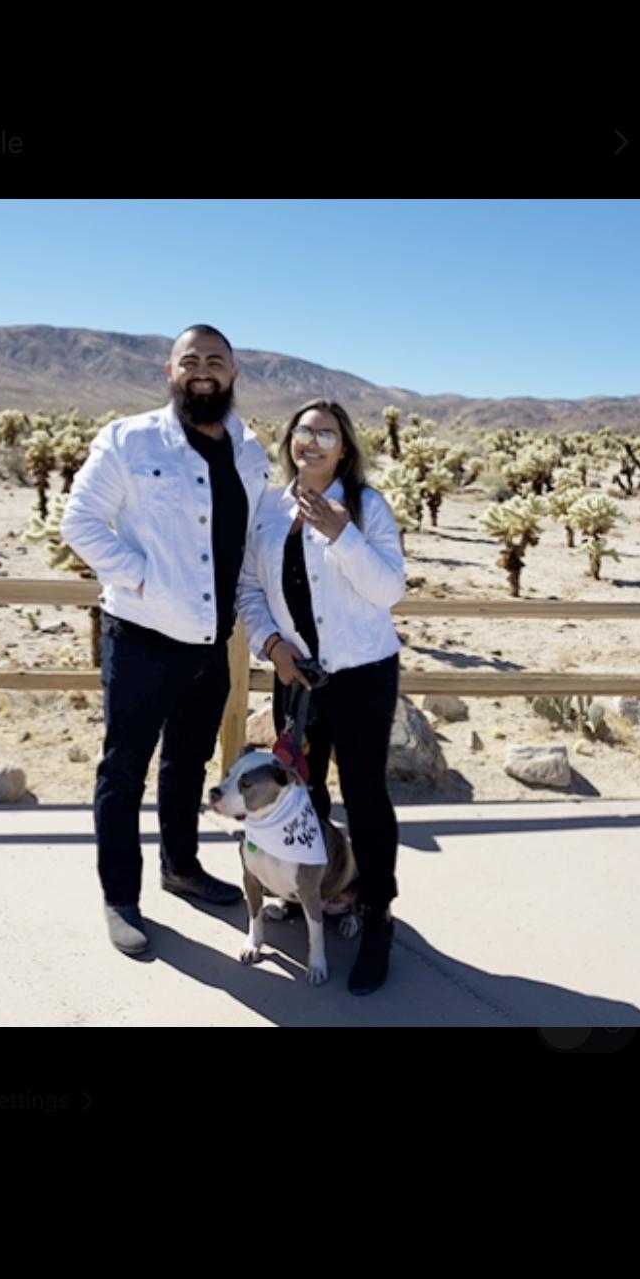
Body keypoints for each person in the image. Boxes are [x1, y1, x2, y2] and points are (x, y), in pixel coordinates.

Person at [59, 325, 271, 955]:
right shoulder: (129, 439)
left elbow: (252, 541)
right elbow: (80, 522)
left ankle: (181, 868)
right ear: (169, 371)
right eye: (191, 360)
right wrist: (146, 578)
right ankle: (121, 899)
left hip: (212, 642)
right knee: (123, 771)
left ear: (233, 374)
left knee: (188, 764)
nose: (203, 370)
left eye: (216, 361)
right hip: (143, 637)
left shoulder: (250, 450)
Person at [236, 400, 407, 996]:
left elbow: (389, 590)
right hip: (297, 676)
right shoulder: (268, 511)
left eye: (325, 433)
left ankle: (377, 911)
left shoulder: (366, 506)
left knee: (364, 795)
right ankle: (303, 886)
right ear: (289, 442)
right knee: (301, 789)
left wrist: (343, 534)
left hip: (361, 675)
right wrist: (272, 644)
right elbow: (251, 588)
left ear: (343, 447)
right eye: (303, 431)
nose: (311, 441)